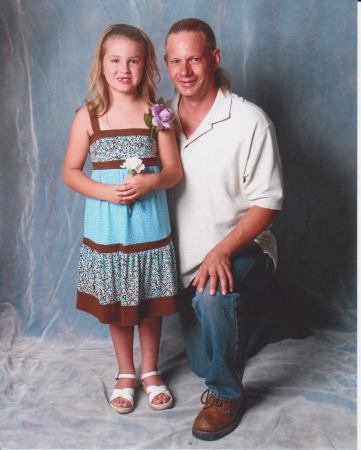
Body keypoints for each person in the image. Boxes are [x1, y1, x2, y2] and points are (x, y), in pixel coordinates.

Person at [165, 18, 284, 440]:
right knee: (200, 360)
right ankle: (260, 322)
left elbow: (268, 203)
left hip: (242, 250)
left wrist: (220, 251)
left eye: (194, 59)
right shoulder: (160, 124)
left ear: (214, 58)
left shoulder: (249, 121)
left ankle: (226, 394)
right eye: (176, 61)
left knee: (214, 296)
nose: (185, 71)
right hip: (184, 266)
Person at [63, 24, 182, 414]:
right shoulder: (89, 117)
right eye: (115, 60)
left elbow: (173, 171)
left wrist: (150, 182)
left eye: (133, 60)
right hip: (108, 227)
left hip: (149, 224)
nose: (124, 69)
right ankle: (126, 372)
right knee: (117, 303)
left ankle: (150, 370)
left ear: (146, 64)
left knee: (148, 301)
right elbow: (71, 171)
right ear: (102, 63)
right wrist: (104, 191)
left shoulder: (158, 114)